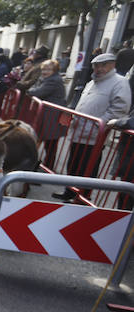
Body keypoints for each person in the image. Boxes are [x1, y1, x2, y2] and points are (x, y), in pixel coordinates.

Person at [54, 53, 131, 201]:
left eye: (103, 65)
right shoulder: (92, 82)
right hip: (79, 131)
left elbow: (120, 108)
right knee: (73, 164)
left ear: (112, 65)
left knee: (87, 167)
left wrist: (100, 123)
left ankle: (83, 196)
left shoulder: (119, 83)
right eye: (96, 65)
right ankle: (69, 192)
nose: (99, 68)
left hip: (95, 135)